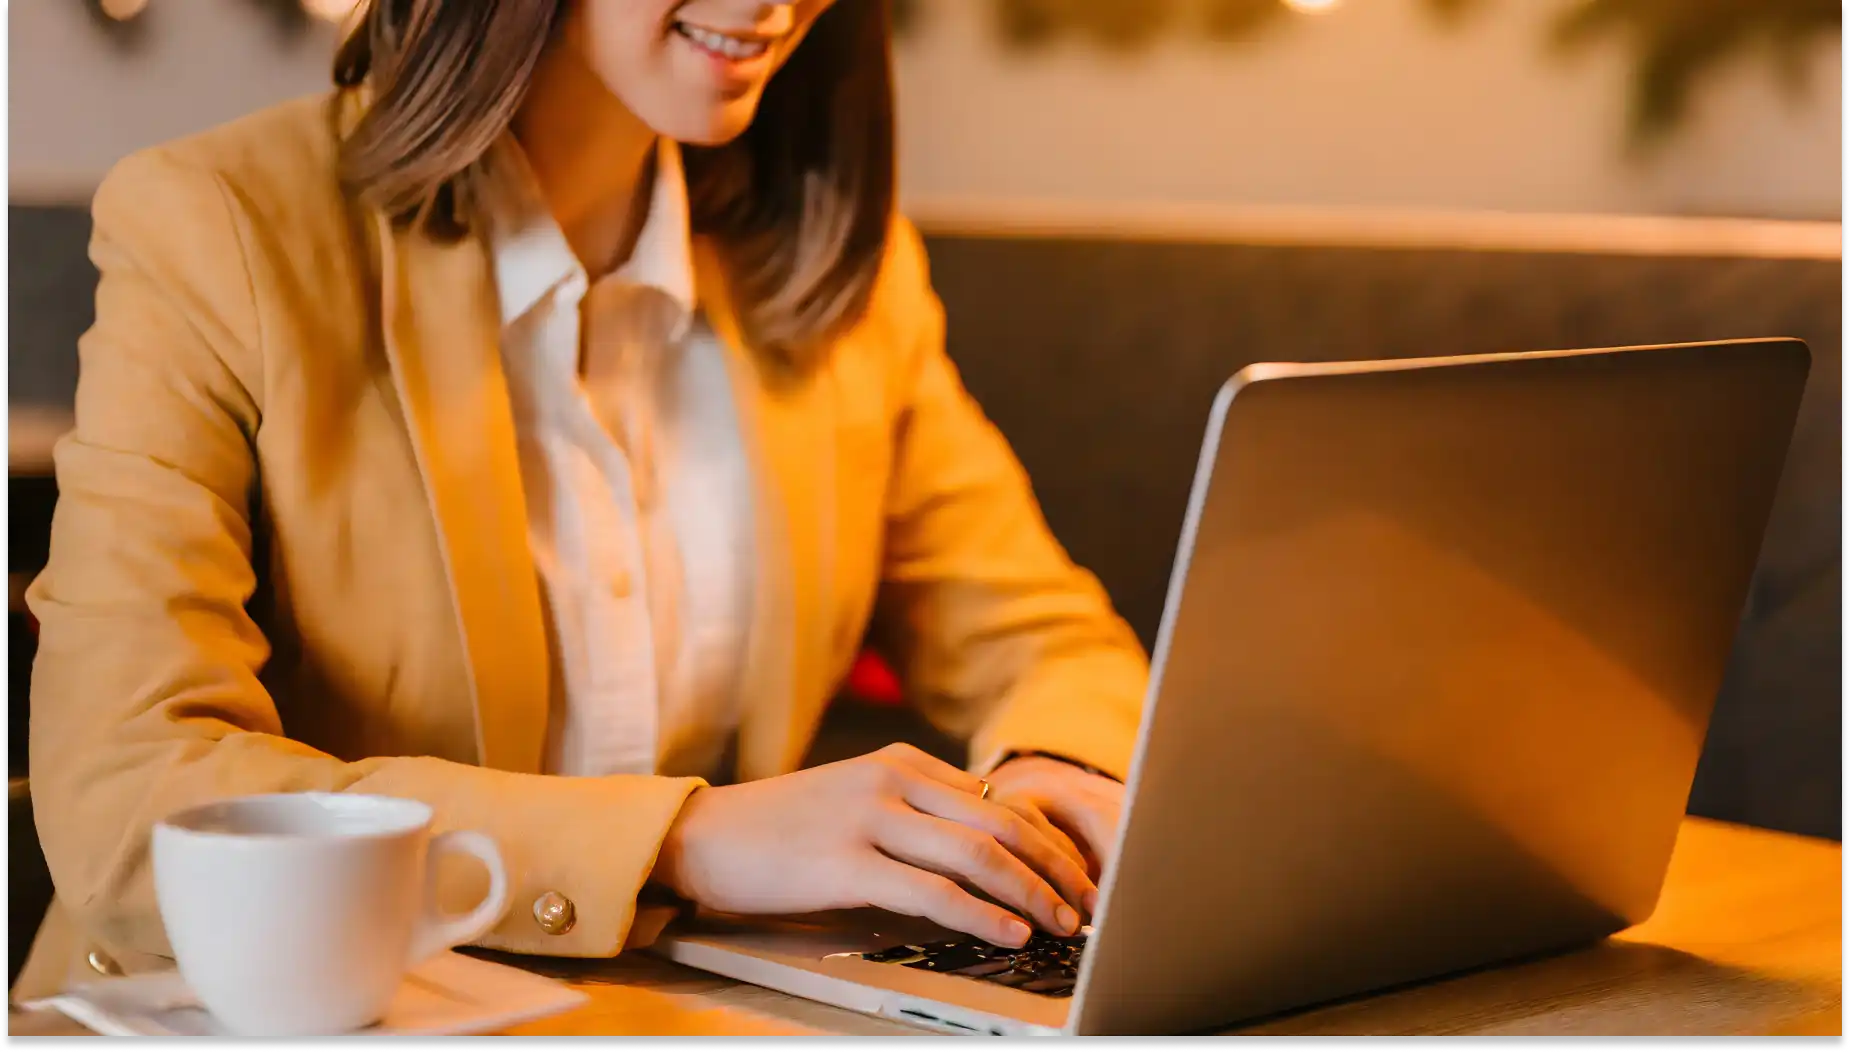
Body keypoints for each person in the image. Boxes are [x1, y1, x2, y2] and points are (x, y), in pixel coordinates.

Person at [24, 0, 1148, 988]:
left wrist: (1054, 773)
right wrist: (685, 839)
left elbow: (1045, 640)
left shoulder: (832, 271)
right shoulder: (216, 226)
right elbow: (129, 796)